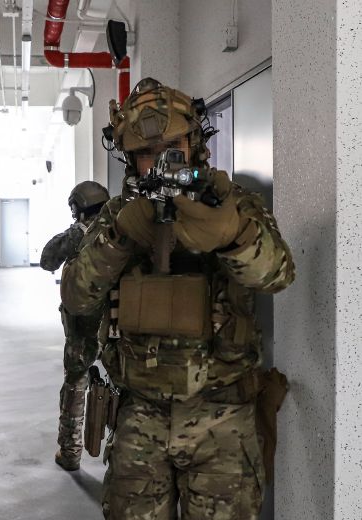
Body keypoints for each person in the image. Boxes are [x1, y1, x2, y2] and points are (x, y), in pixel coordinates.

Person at [61, 78, 295, 518]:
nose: (160, 163)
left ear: (194, 143)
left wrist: (231, 236)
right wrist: (122, 237)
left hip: (221, 414)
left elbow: (278, 274)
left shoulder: (232, 204)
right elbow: (76, 294)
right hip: (139, 414)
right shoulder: (118, 216)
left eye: (173, 148)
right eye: (147, 154)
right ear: (130, 158)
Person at [39, 181, 110, 471]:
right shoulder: (123, 230)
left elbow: (46, 260)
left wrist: (73, 235)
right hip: (118, 325)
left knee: (75, 386)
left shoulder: (76, 236)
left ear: (78, 208)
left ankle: (70, 452)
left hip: (83, 328)